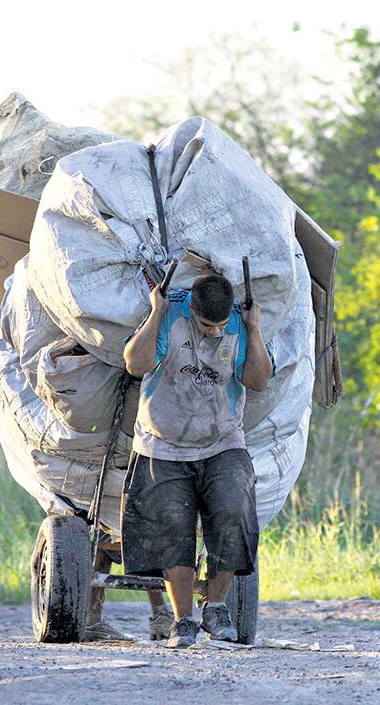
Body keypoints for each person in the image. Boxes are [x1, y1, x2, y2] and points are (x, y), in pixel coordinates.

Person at [122, 272, 273, 648]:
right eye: (207, 325)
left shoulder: (238, 325)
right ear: (191, 308)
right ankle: (182, 620)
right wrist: (155, 313)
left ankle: (216, 607)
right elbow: (135, 364)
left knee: (235, 509)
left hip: (222, 441)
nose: (215, 332)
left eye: (221, 325)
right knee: (173, 527)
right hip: (163, 445)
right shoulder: (170, 316)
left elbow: (258, 381)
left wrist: (254, 328)